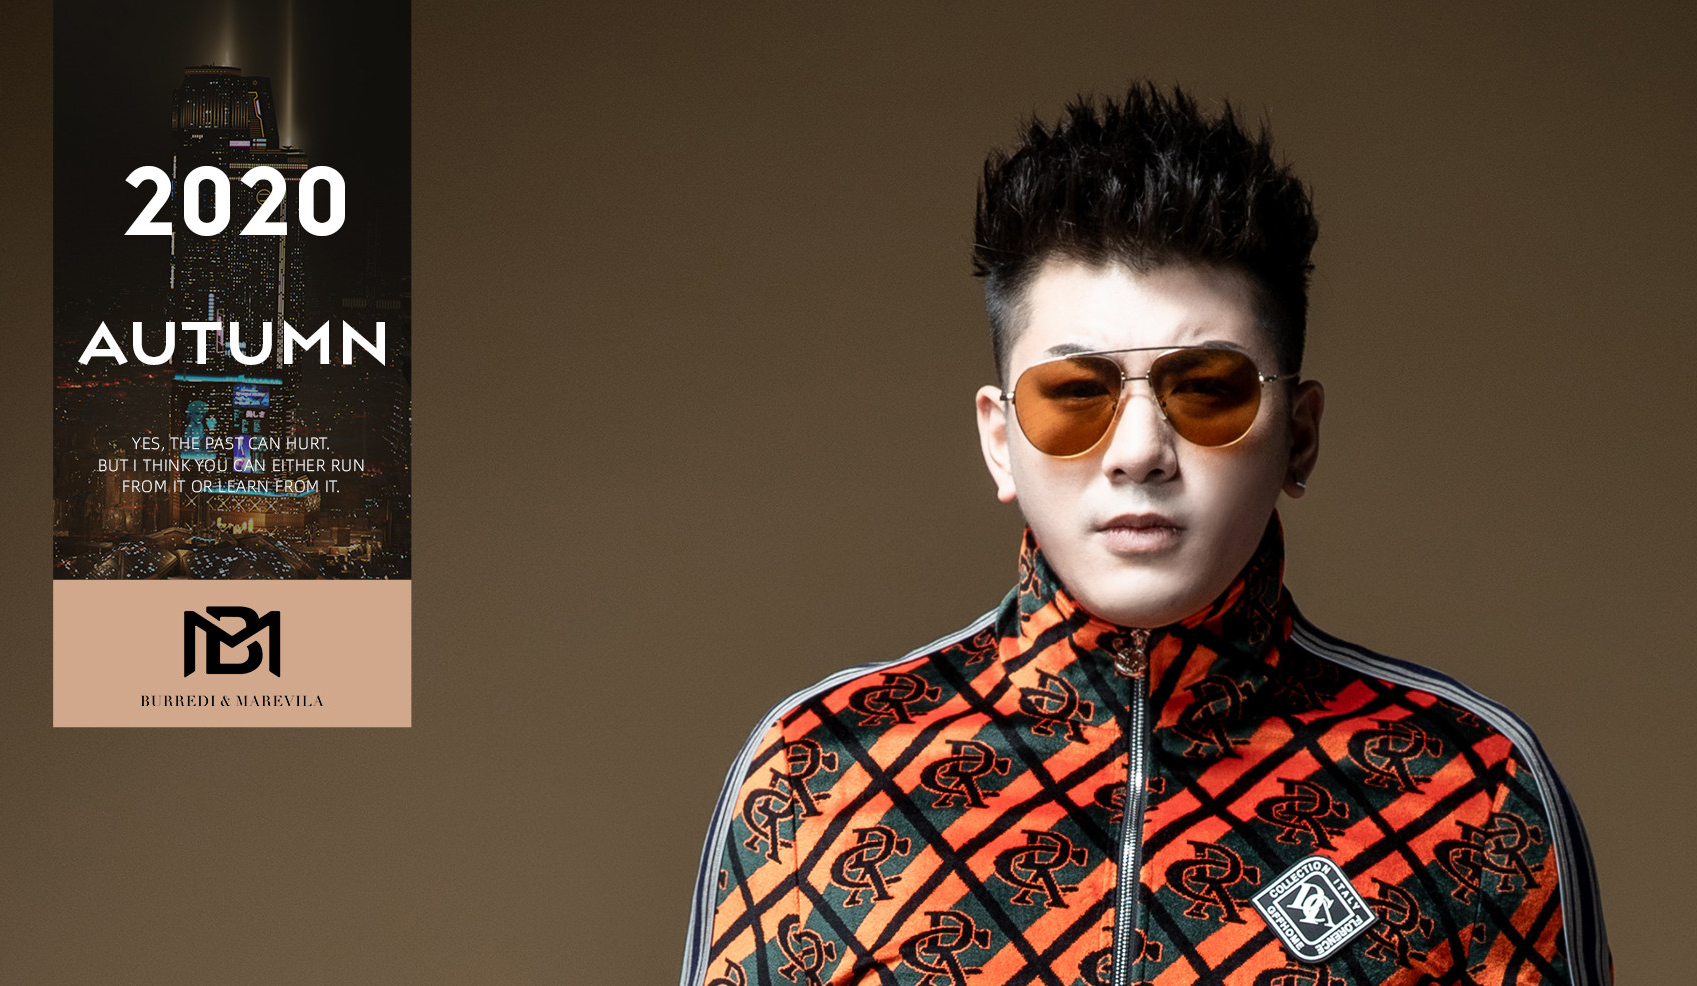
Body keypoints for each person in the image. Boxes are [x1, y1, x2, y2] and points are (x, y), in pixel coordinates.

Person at [678, 81, 1610, 986]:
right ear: (1001, 442)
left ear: (1300, 435)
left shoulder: (1474, 788)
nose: (1138, 453)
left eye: (1205, 390)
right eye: (1074, 394)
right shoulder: (815, 775)